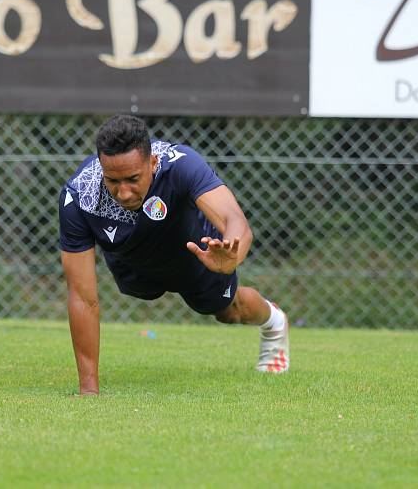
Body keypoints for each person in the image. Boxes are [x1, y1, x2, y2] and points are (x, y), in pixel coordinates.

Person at [59, 115, 289, 395]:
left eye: (133, 179)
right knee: (131, 289)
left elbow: (234, 220)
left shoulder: (181, 163)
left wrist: (233, 253)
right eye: (112, 181)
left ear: (153, 163)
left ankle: (274, 322)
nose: (123, 192)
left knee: (228, 311)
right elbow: (83, 298)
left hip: (193, 255)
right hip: (134, 266)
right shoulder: (79, 195)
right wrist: (89, 392)